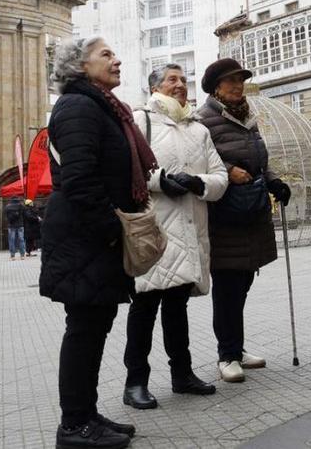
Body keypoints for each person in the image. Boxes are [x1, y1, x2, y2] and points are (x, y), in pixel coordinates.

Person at [39, 36, 146, 448]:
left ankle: (86, 413)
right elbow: (80, 181)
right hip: (85, 238)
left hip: (92, 238)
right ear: (80, 66)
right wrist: (112, 230)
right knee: (83, 329)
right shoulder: (79, 107)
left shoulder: (99, 106)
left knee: (94, 327)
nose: (117, 60)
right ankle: (74, 425)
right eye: (106, 55)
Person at [121, 63, 227, 410]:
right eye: (172, 80)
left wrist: (200, 184)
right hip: (155, 232)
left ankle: (182, 374)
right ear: (155, 87)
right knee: (145, 308)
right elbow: (128, 166)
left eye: (183, 80)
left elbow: (220, 176)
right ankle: (135, 381)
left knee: (177, 308)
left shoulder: (198, 129)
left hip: (191, 229)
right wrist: (161, 180)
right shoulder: (141, 120)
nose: (180, 85)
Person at [197, 58, 291, 383]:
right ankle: (227, 355)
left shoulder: (248, 118)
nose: (237, 85)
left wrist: (275, 181)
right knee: (227, 287)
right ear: (215, 87)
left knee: (243, 284)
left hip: (251, 213)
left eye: (240, 79)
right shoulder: (203, 120)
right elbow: (199, 163)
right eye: (229, 81)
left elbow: (260, 161)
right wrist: (226, 171)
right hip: (224, 218)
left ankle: (236, 347)